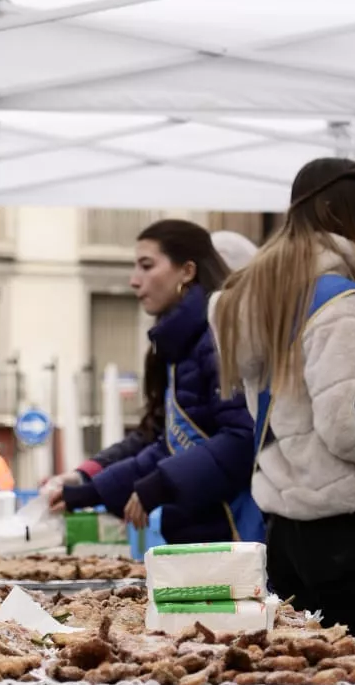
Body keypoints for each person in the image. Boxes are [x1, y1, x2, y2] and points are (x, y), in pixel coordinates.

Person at [214, 159, 355, 669]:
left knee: (309, 681)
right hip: (351, 536)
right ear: (333, 211)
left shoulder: (265, 297)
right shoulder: (339, 300)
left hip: (286, 534)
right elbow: (351, 425)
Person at [50, 220, 260, 543]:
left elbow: (242, 437)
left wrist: (161, 483)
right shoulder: (181, 343)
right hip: (201, 534)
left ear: (187, 271)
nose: (134, 281)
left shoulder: (217, 336)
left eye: (147, 266)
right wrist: (89, 490)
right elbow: (169, 442)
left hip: (234, 533)